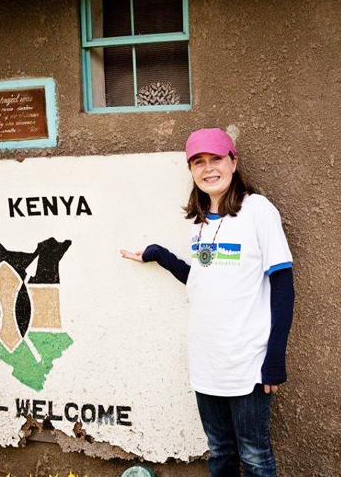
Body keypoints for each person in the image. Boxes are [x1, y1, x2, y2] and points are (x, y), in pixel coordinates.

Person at [120, 127, 295, 477]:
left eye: (216, 158)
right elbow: (202, 280)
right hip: (206, 360)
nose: (208, 168)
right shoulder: (199, 221)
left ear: (233, 162)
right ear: (191, 169)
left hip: (247, 360)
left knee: (254, 454)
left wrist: (275, 358)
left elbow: (283, 286)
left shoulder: (258, 211)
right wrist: (161, 256)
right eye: (198, 161)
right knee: (220, 451)